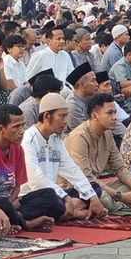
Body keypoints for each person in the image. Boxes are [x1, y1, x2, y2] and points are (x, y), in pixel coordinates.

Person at [20, 93, 107, 221]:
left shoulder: (56, 139)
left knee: (94, 187)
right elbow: (37, 181)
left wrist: (92, 197)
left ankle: (68, 210)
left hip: (56, 193)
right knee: (49, 197)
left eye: (66, 116)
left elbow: (72, 169)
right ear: (47, 116)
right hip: (34, 195)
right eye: (62, 116)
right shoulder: (29, 140)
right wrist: (66, 198)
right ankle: (76, 212)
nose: (65, 121)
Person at [64, 93, 131, 211]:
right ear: (95, 116)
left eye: (115, 112)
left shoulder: (107, 133)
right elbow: (86, 179)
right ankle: (121, 202)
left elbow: (120, 168)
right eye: (110, 113)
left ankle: (126, 200)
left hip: (97, 185)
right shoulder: (79, 138)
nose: (115, 117)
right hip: (75, 188)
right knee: (103, 198)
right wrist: (121, 197)